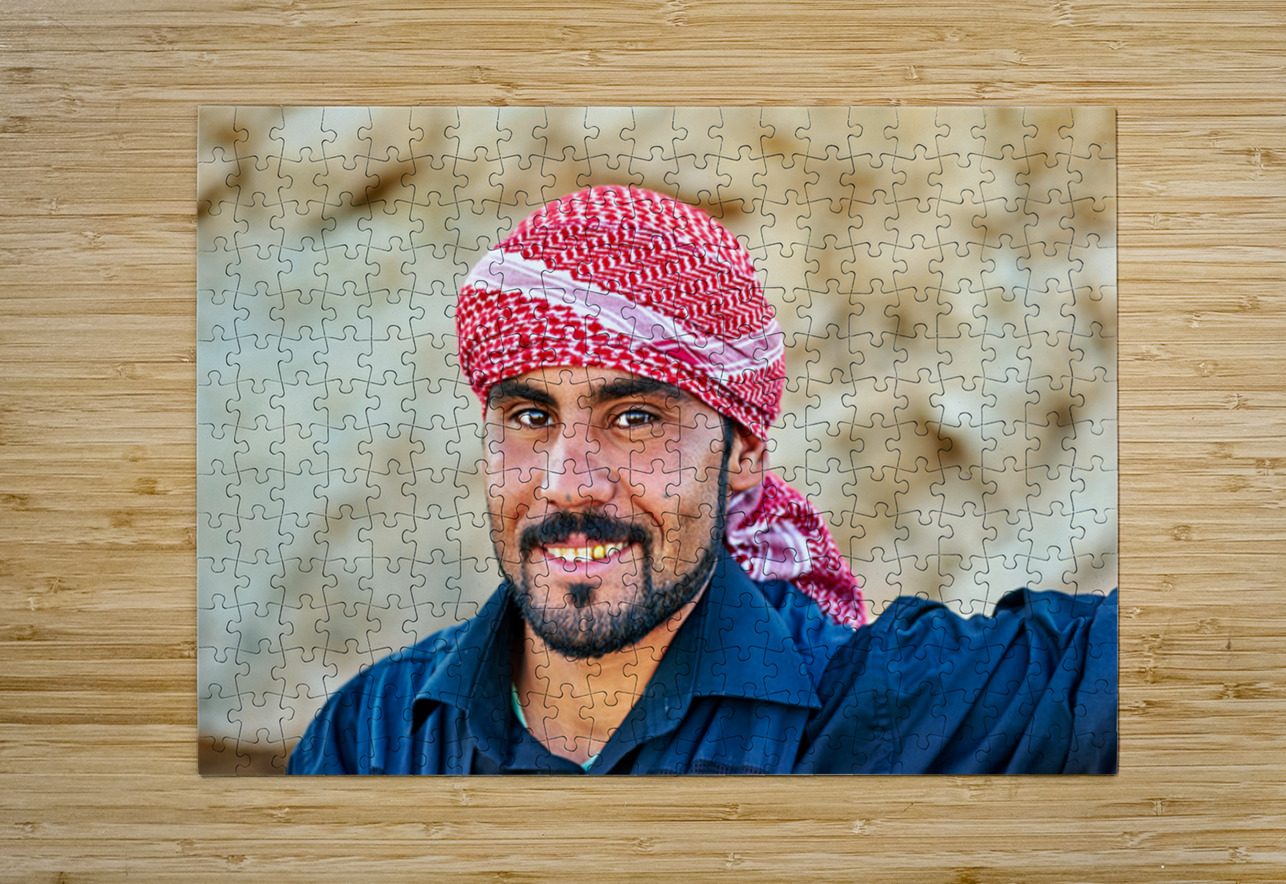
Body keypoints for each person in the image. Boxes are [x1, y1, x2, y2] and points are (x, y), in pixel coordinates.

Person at [288, 185, 1117, 775]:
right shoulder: (373, 741)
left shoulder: (895, 709)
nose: (569, 483)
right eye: (531, 417)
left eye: (635, 418)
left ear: (745, 453)